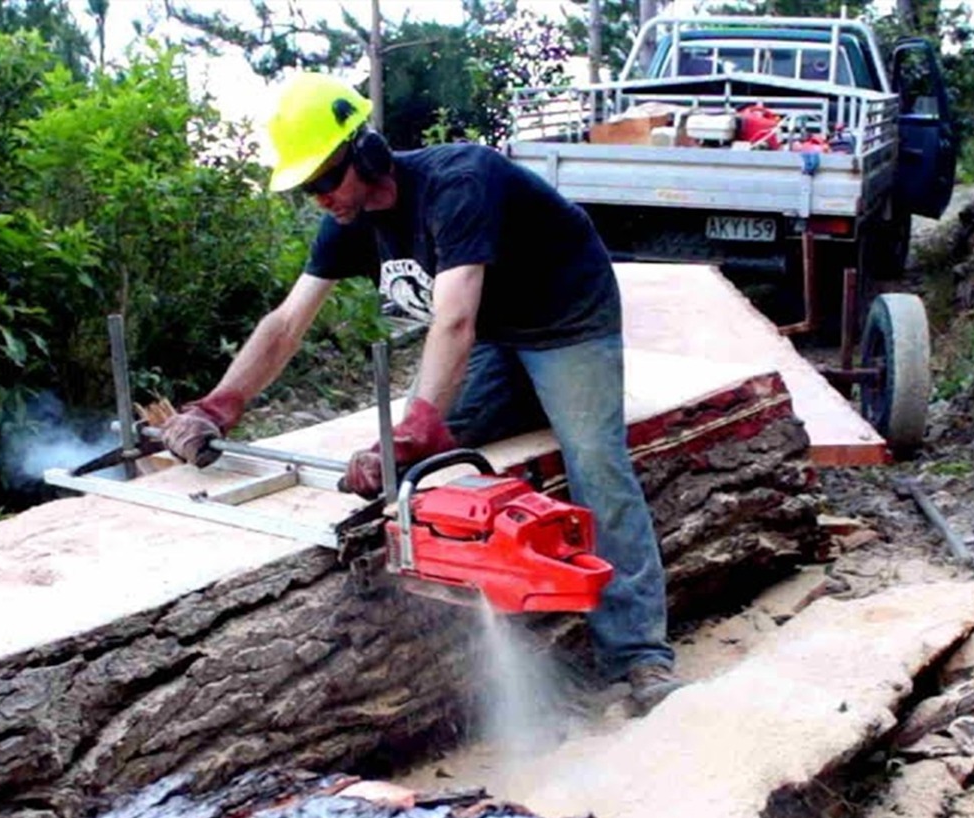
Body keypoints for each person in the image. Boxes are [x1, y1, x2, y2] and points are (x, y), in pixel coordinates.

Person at [160, 72, 682, 713]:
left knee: (595, 464)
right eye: (308, 188)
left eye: (326, 179)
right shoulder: (347, 221)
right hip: (496, 335)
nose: (321, 198)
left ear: (367, 151)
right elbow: (286, 324)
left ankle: (640, 656)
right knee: (428, 459)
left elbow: (454, 319)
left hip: (569, 321)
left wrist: (418, 426)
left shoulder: (458, 182)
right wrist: (219, 405)